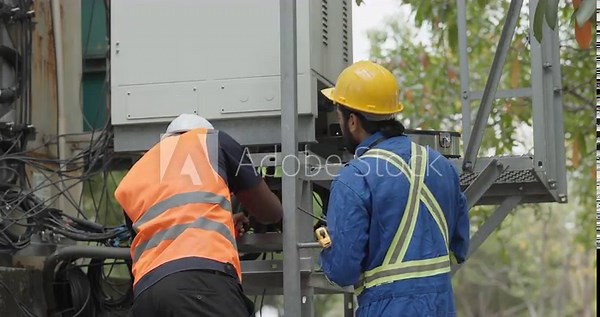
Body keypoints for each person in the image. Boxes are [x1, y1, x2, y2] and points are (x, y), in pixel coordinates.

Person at [318, 61, 470, 317]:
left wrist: (326, 247)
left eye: (340, 115)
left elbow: (343, 271)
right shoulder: (441, 166)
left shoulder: (354, 178)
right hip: (441, 307)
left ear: (352, 121)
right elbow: (460, 246)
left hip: (387, 308)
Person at [114, 113, 283, 317]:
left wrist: (225, 221)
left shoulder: (136, 172)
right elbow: (269, 212)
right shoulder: (212, 141)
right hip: (200, 285)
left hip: (147, 294)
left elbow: (160, 231)